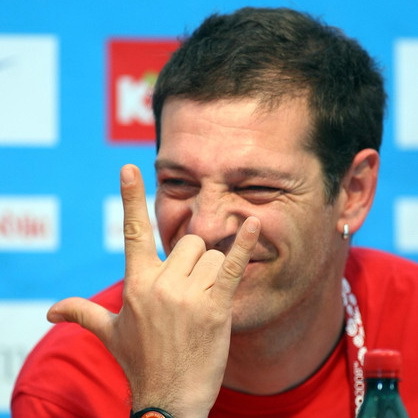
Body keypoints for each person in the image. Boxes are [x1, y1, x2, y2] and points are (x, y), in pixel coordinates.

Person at [11, 6, 418, 418]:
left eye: (256, 188)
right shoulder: (70, 385)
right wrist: (165, 400)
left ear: (353, 192)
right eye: (179, 182)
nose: (204, 227)